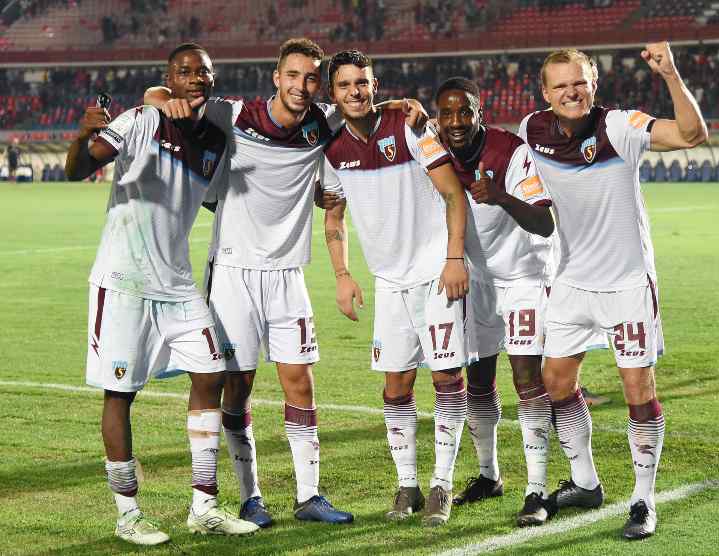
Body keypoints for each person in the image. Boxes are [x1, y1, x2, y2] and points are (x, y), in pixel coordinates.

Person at [145, 38, 428, 526]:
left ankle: (309, 496)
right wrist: (159, 97)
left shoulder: (322, 122)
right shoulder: (233, 115)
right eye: (292, 76)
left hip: (289, 273)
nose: (301, 85)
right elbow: (159, 96)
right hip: (234, 271)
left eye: (310, 78)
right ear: (276, 78)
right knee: (238, 387)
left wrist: (399, 104)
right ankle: (250, 496)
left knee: (300, 383)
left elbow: (359, 104)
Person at [65, 43, 258, 545]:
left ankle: (204, 505)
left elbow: (216, 201)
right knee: (120, 393)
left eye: (204, 72)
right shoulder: (141, 119)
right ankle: (128, 512)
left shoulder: (216, 141)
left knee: (211, 373)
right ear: (168, 77)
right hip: (123, 281)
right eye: (184, 71)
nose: (195, 78)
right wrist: (88, 130)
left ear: (213, 80)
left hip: (176, 283)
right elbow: (80, 167)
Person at [518, 43, 707, 539]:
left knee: (636, 388)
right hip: (571, 281)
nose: (570, 92)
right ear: (544, 92)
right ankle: (585, 483)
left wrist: (670, 75)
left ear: (593, 84)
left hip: (626, 283)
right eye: (559, 85)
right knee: (555, 380)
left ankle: (644, 502)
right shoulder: (531, 130)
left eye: (579, 82)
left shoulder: (620, 126)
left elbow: (690, 134)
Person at [320, 50, 474, 527]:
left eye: (362, 83)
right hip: (389, 283)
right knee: (396, 384)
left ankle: (442, 485)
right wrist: (343, 276)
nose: (355, 92)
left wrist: (453, 259)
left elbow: (453, 193)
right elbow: (333, 215)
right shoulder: (332, 149)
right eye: (345, 85)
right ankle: (406, 483)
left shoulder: (407, 126)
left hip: (435, 275)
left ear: (374, 84)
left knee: (447, 378)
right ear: (333, 94)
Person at [434, 77, 558, 527]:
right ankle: (489, 475)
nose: (455, 122)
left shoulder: (511, 151)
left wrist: (501, 196)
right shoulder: (436, 150)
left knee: (526, 376)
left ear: (480, 112)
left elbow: (544, 223)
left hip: (525, 275)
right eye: (446, 114)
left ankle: (537, 489)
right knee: (479, 376)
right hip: (478, 279)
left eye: (464, 111)